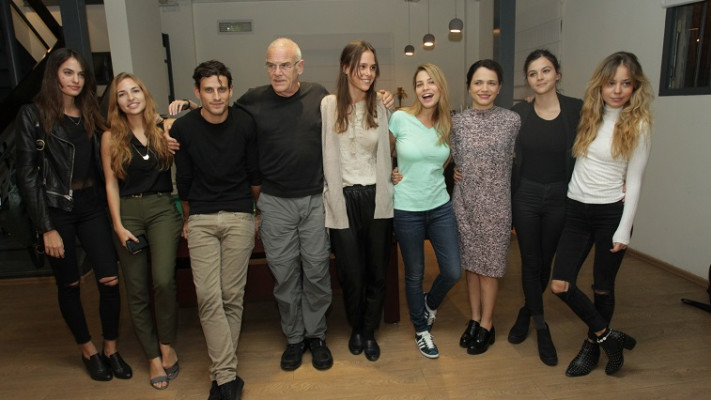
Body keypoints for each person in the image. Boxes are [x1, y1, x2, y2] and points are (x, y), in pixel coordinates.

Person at [14, 48, 132, 381]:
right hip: (56, 211)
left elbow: (122, 135)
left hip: (92, 206)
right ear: (54, 75)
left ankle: (111, 348)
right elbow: (27, 175)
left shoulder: (91, 111)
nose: (76, 80)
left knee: (109, 279)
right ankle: (88, 350)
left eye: (81, 74)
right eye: (68, 73)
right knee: (69, 284)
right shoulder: (33, 114)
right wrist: (45, 228)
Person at [550, 51, 652, 377]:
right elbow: (552, 106)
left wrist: (624, 229)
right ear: (601, 85)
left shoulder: (638, 124)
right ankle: (609, 337)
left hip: (611, 215)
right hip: (576, 211)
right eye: (611, 83)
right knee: (560, 285)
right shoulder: (587, 114)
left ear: (635, 87)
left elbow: (635, 181)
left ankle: (591, 346)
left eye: (626, 83)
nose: (617, 90)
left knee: (602, 288)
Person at [171, 60, 259, 399]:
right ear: (197, 92)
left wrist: (254, 213)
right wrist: (188, 218)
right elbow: (184, 180)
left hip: (239, 214)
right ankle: (227, 377)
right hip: (201, 218)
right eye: (209, 90)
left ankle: (223, 377)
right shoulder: (183, 128)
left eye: (222, 89)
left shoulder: (245, 123)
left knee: (231, 296)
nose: (217, 96)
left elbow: (254, 176)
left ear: (230, 89)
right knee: (208, 296)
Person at [101, 72, 182, 390]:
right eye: (122, 94)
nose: (130, 98)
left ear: (144, 94)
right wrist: (118, 225)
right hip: (128, 212)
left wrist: (185, 105)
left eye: (135, 91)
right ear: (116, 102)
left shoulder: (163, 127)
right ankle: (152, 357)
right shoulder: (110, 137)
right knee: (136, 289)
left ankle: (167, 344)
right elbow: (110, 183)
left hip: (162, 209)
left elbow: (201, 112)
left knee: (163, 280)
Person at [507, 50, 583, 366]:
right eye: (533, 73)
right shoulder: (519, 113)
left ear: (557, 74)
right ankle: (541, 326)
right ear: (528, 79)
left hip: (559, 196)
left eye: (546, 70)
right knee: (530, 260)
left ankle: (527, 311)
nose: (540, 77)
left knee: (544, 262)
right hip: (525, 194)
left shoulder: (576, 109)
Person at [321, 40, 393, 362]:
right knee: (351, 273)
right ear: (345, 68)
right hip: (342, 198)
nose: (367, 73)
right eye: (361, 66)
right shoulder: (328, 105)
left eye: (372, 67)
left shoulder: (381, 105)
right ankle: (356, 326)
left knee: (377, 270)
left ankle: (369, 329)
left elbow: (394, 145)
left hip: (377, 197)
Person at [389, 63, 461, 359]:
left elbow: (443, 161)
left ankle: (429, 304)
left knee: (453, 271)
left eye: (431, 82)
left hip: (440, 206)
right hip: (407, 208)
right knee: (414, 274)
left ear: (440, 86)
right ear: (415, 90)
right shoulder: (400, 118)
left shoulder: (448, 124)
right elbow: (382, 153)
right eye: (420, 84)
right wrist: (391, 171)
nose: (425, 88)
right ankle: (421, 329)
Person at [451, 59, 520, 356]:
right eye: (478, 82)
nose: (484, 88)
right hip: (464, 203)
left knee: (490, 268)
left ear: (500, 87)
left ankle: (487, 324)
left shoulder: (512, 121)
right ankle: (475, 318)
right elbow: (444, 156)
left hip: (496, 205)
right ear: (469, 86)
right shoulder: (456, 122)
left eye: (491, 83)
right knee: (471, 266)